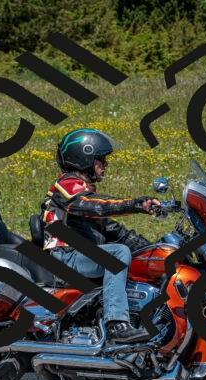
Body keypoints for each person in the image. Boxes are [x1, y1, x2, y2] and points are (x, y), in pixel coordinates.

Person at [40, 128, 161, 344]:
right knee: (117, 254)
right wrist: (135, 204)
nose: (105, 165)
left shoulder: (83, 191)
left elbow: (115, 231)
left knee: (128, 251)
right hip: (64, 255)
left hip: (77, 255)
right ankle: (116, 324)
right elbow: (94, 206)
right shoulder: (67, 185)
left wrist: (155, 251)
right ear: (84, 158)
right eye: (101, 160)